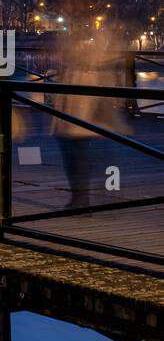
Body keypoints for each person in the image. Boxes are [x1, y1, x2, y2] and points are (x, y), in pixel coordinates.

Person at [51, 28, 123, 210]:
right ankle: (83, 197)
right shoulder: (83, 62)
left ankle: (81, 198)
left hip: (81, 109)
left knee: (77, 154)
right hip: (78, 109)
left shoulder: (88, 60)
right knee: (77, 154)